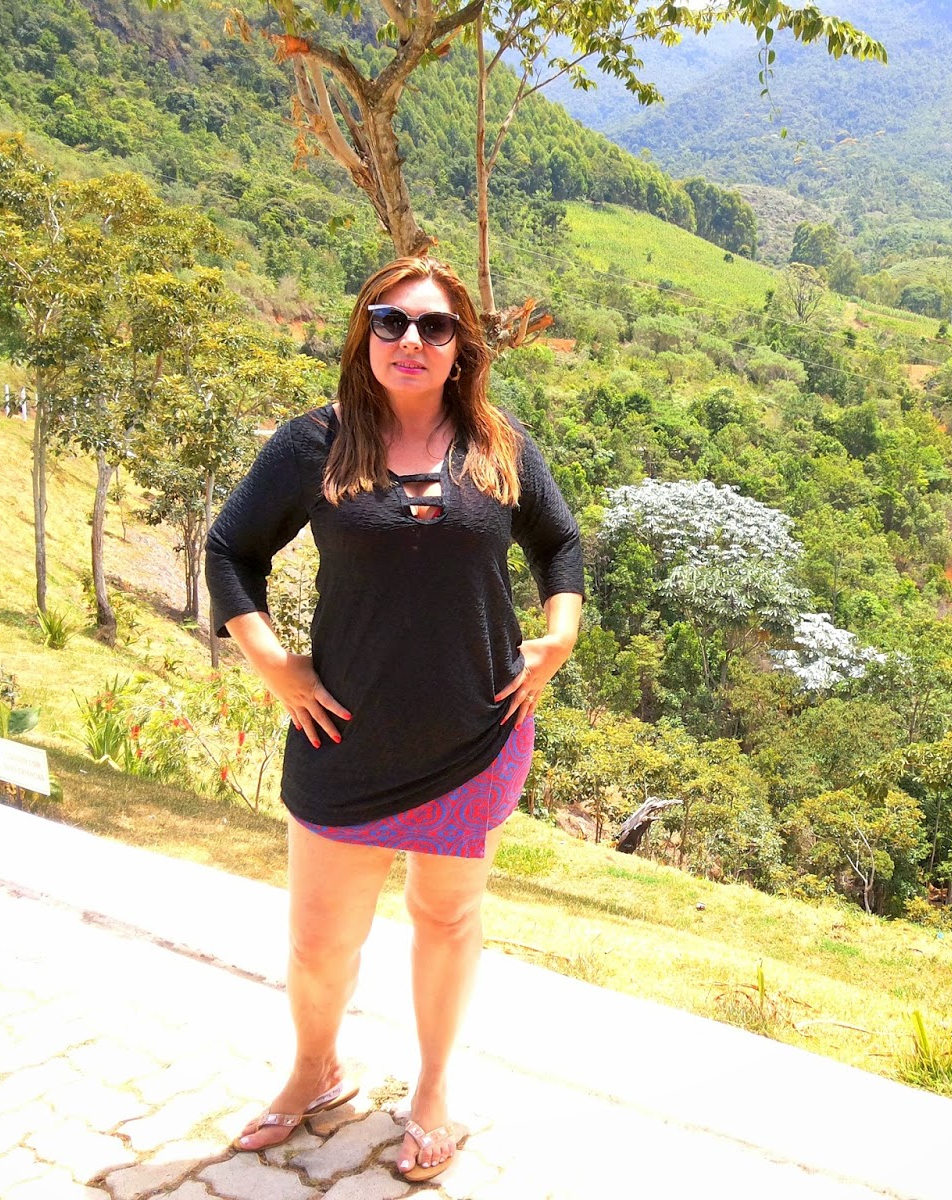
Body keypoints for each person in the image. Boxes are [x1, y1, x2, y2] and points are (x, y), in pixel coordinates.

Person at [205, 256, 584, 1183]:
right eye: (390, 321)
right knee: (318, 940)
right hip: (343, 740)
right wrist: (274, 665)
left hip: (472, 737)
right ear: (365, 334)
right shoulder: (315, 445)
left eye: (434, 326)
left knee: (446, 920)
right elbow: (230, 550)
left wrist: (559, 635)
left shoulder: (499, 445)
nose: (410, 340)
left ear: (461, 347)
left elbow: (560, 540)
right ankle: (315, 1071)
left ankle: (434, 1091)